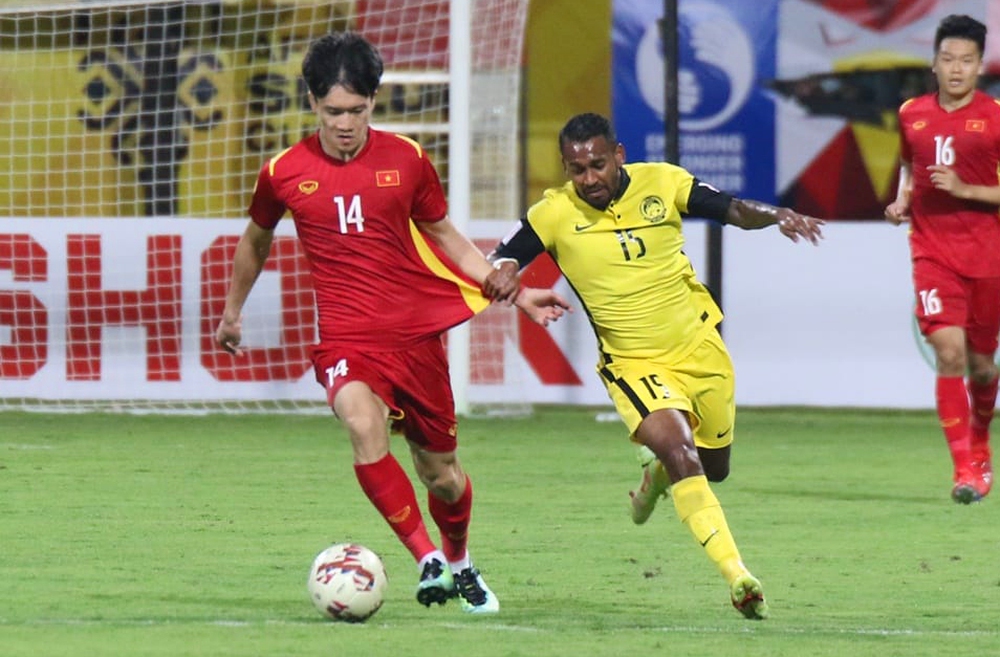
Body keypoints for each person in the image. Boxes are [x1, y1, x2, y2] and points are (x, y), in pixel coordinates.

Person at [215, 32, 569, 615]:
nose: (345, 123)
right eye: (334, 111)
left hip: (415, 340)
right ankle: (426, 558)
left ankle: (459, 562)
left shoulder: (407, 160)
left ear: (373, 102)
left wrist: (513, 292)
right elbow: (256, 240)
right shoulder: (283, 172)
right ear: (312, 102)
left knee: (443, 477)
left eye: (357, 110)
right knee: (362, 423)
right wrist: (233, 313)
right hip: (347, 340)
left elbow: (446, 237)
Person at [489, 112, 823, 619]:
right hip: (632, 362)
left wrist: (777, 214)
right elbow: (504, 255)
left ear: (618, 156)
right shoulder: (553, 213)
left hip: (699, 348)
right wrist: (507, 272)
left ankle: (656, 479)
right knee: (682, 452)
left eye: (598, 165)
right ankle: (739, 577)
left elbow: (731, 208)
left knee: (715, 468)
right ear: (565, 168)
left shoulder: (663, 182)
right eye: (577, 170)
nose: (589, 178)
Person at [885, 14, 1000, 505]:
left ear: (980, 66)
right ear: (933, 63)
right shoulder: (911, 113)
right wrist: (902, 199)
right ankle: (963, 469)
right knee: (949, 351)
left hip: (987, 257)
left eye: (966, 61)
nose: (956, 69)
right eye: (948, 59)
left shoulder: (995, 117)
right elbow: (909, 165)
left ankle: (980, 442)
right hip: (932, 252)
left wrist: (965, 189)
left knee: (983, 368)